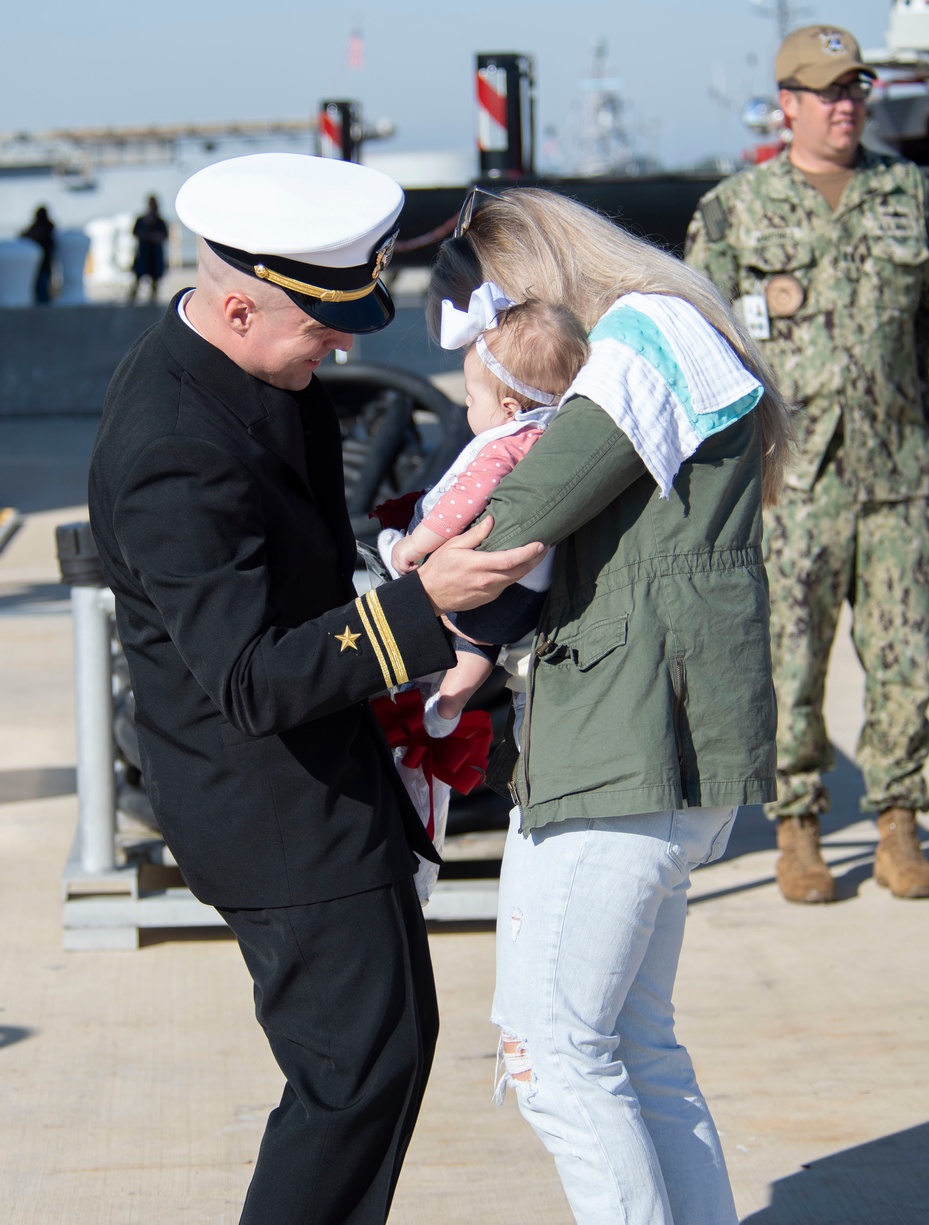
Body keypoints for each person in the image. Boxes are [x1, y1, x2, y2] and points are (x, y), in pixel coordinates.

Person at [87, 153, 544, 1225]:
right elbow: (245, 679)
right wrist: (421, 605)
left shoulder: (244, 372)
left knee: (380, 1054)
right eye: (324, 324)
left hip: (318, 771)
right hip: (272, 806)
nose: (344, 342)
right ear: (238, 303)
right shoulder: (173, 446)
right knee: (355, 1075)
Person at [427, 185, 790, 1225]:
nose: (505, 342)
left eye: (500, 313)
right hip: (651, 730)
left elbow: (523, 513)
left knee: (550, 1050)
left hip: (628, 732)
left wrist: (417, 560)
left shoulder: (641, 334)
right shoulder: (677, 330)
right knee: (633, 1042)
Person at [686, 24, 929, 904]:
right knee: (791, 659)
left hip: (897, 474)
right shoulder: (735, 209)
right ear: (788, 105)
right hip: (793, 481)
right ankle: (799, 827)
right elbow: (701, 343)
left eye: (855, 89)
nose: (845, 105)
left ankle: (898, 823)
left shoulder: (910, 196)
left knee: (902, 658)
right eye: (826, 92)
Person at [385, 288, 588, 736]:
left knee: (457, 627)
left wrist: (416, 546)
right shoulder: (556, 437)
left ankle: (396, 558)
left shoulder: (506, 445)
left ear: (509, 409)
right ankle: (451, 703)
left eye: (472, 400)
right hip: (525, 594)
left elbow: (464, 502)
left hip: (480, 579)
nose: (466, 407)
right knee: (480, 648)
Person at [129, 194, 169, 302]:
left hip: (154, 254)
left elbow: (164, 236)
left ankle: (153, 299)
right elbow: (135, 233)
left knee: (155, 280)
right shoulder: (142, 220)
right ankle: (132, 297)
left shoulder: (159, 221)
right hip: (144, 253)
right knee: (138, 277)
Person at [20, 205, 55, 304]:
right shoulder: (50, 229)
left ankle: (42, 304)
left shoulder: (38, 228)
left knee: (40, 285)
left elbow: (26, 236)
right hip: (46, 262)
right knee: (44, 284)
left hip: (38, 262)